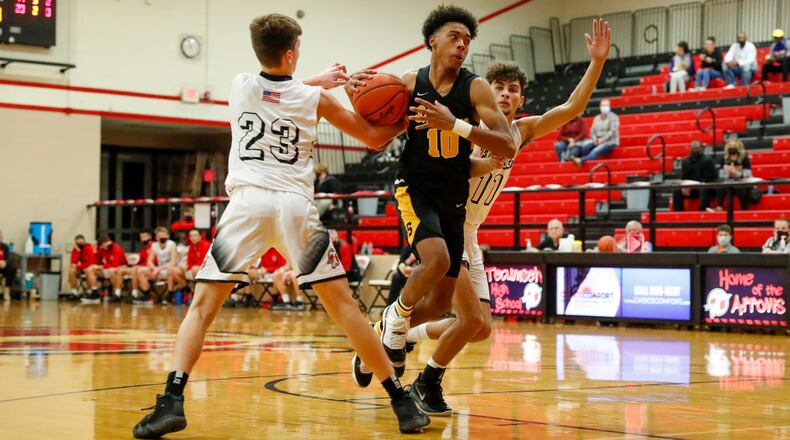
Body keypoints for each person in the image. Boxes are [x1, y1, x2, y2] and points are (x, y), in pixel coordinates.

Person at [133, 14, 429, 438]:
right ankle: (402, 403)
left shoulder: (240, 86)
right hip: (294, 207)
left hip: (246, 206)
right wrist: (403, 116)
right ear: (291, 51)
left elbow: (274, 86)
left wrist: (317, 79)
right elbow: (373, 138)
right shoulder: (316, 100)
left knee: (201, 309)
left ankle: (172, 400)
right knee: (346, 310)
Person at [351, 19, 610, 416]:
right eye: (499, 88)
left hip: (469, 230)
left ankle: (394, 336)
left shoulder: (520, 131)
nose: (505, 95)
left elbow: (572, 108)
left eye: (513, 90)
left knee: (479, 326)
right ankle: (425, 379)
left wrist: (596, 63)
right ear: (488, 92)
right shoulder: (464, 118)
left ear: (521, 100)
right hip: (442, 213)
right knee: (467, 316)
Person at [344, 4, 517, 403]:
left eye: (468, 40)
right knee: (435, 260)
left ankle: (380, 332)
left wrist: (453, 123)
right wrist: (353, 95)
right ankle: (394, 318)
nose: (462, 45)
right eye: (455, 37)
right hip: (415, 188)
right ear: (432, 40)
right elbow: (375, 135)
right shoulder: (407, 83)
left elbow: (507, 145)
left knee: (440, 303)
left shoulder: (475, 88)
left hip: (453, 195)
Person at [136, 227, 178, 304]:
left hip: (170, 270)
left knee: (170, 270)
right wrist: (154, 268)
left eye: (163, 235)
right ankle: (147, 295)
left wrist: (158, 269)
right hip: (159, 270)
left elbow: (173, 262)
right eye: (159, 236)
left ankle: (170, 295)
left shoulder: (172, 244)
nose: (161, 237)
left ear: (167, 236)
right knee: (140, 270)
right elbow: (149, 261)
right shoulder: (154, 245)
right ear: (156, 237)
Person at [672, 140, 717, 211]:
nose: (695, 150)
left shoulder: (708, 160)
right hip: (692, 188)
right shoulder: (685, 161)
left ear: (701, 148)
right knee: (677, 190)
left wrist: (699, 184)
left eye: (697, 148)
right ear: (690, 149)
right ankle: (678, 214)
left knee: (703, 188)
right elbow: (684, 178)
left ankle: (703, 210)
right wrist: (684, 187)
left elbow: (713, 177)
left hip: (707, 187)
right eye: (693, 148)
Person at [573, 98, 618, 165]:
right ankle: (585, 160)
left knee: (595, 151)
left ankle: (581, 160)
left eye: (606, 105)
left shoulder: (613, 117)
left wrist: (602, 140)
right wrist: (595, 139)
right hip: (597, 140)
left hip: (609, 141)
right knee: (585, 145)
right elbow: (592, 131)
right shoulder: (597, 118)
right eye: (603, 105)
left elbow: (612, 131)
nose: (604, 107)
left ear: (609, 106)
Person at [711, 138, 752, 212]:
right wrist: (727, 173)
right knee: (721, 187)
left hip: (742, 182)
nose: (732, 148)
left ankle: (744, 209)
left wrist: (735, 173)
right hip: (729, 182)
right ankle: (719, 206)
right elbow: (721, 175)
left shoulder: (744, 158)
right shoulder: (724, 158)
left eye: (734, 146)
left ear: (738, 147)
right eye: (730, 146)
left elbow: (748, 174)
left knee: (740, 187)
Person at [169, 228, 210, 298]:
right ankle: (186, 288)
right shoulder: (191, 246)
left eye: (195, 235)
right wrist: (185, 266)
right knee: (172, 270)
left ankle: (198, 294)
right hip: (193, 269)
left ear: (200, 236)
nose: (193, 238)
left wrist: (188, 267)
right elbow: (189, 262)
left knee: (195, 269)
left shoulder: (206, 245)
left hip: (205, 270)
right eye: (191, 236)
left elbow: (203, 263)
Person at [68, 234, 101, 303]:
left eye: (81, 242)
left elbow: (90, 263)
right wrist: (77, 251)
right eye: (78, 243)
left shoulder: (89, 248)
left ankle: (92, 292)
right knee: (72, 271)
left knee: (88, 270)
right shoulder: (76, 249)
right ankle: (74, 292)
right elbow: (73, 262)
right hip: (83, 267)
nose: (80, 244)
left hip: (92, 267)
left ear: (84, 241)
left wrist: (78, 266)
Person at [96, 234, 128, 302]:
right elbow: (97, 260)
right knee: (94, 270)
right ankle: (95, 292)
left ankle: (117, 293)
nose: (101, 248)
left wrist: (102, 266)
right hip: (111, 267)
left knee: (111, 271)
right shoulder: (102, 249)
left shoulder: (116, 248)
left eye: (101, 246)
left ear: (105, 243)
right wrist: (95, 251)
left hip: (121, 267)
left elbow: (115, 264)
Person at [123, 231, 153, 303]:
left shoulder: (153, 247)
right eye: (141, 237)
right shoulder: (143, 250)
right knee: (129, 269)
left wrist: (138, 266)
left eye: (144, 237)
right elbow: (140, 262)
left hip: (152, 268)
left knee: (136, 269)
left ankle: (137, 293)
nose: (143, 239)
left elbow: (152, 262)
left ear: (150, 237)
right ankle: (134, 292)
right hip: (142, 268)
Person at [0, 230, 13, 301]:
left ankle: (7, 291)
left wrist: (5, 262)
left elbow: (9, 258)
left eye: (0, 236)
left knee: (12, 268)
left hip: (3, 266)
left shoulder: (5, 246)